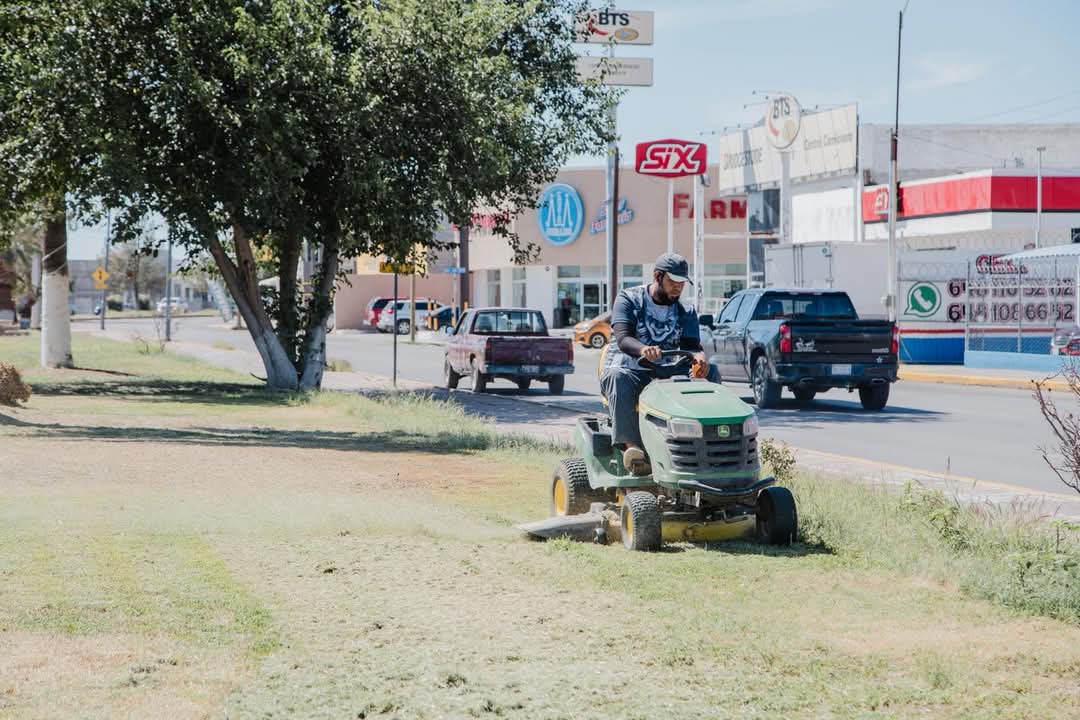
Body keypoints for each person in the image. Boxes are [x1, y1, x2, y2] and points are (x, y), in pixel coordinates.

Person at [600, 252, 720, 475]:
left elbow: (692, 345)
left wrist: (700, 358)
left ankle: (710, 445)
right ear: (657, 276)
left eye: (682, 283)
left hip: (668, 373)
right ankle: (633, 451)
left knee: (711, 373)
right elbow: (624, 339)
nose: (678, 287)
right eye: (673, 281)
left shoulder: (686, 311)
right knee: (617, 377)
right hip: (632, 369)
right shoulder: (628, 299)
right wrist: (643, 349)